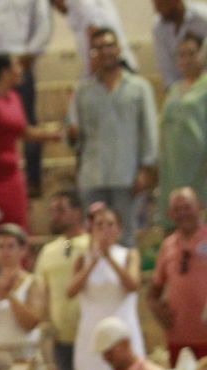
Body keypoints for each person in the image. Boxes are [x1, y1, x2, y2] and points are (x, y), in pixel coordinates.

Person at [67, 27, 158, 244]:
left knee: (125, 236)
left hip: (127, 175)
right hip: (93, 176)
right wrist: (72, 135)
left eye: (109, 45)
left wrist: (145, 169)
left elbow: (149, 131)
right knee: (95, 239)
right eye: (98, 48)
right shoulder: (82, 91)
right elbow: (74, 138)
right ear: (92, 54)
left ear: (118, 49)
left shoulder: (139, 88)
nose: (105, 51)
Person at [0, 0, 53, 195]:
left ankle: (32, 181)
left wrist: (28, 55)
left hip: (17, 64)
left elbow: (43, 24)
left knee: (25, 121)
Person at [70, 203, 143, 370]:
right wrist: (93, 261)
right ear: (91, 230)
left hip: (123, 330)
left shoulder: (129, 255)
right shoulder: (82, 259)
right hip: (91, 333)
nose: (105, 230)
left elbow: (132, 285)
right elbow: (71, 290)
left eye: (110, 224)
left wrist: (109, 258)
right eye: (99, 225)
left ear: (119, 229)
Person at [33, 190, 90, 370]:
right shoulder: (50, 250)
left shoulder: (92, 245)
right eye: (52, 211)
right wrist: (45, 322)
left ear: (77, 212)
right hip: (61, 337)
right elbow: (41, 290)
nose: (54, 215)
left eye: (61, 210)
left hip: (89, 333)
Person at [0, 55, 46, 229]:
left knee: (17, 223)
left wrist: (50, 135)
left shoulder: (15, 97)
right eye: (16, 66)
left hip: (12, 170)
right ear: (4, 72)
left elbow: (21, 131)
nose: (21, 70)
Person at [148, 188, 207, 366]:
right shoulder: (167, 245)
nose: (182, 213)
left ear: (199, 207)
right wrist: (158, 311)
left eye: (187, 207)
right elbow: (153, 292)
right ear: (169, 214)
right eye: (177, 209)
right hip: (178, 339)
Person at [0, 224, 46, 364]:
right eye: (0, 247)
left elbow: (31, 323)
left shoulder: (33, 282)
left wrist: (9, 295)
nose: (5, 252)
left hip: (25, 354)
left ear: (22, 250)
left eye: (10, 246)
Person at [161, 35, 207, 217]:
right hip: (173, 165)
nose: (186, 59)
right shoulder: (173, 90)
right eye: (181, 55)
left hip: (200, 165)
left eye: (191, 54)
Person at [154, 0, 207, 86]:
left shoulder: (203, 16)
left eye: (161, 4)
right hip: (180, 87)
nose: (157, 9)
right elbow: (166, 67)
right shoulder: (159, 26)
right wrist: (175, 90)